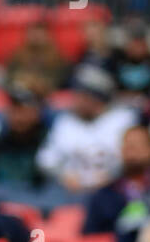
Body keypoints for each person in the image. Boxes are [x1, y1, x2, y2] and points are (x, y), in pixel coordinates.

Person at [36, 65, 138, 193]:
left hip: (115, 190)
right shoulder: (65, 121)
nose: (75, 99)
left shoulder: (123, 119)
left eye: (81, 95)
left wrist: (113, 176)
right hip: (68, 191)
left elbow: (136, 156)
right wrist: (63, 176)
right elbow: (46, 159)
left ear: (96, 98)